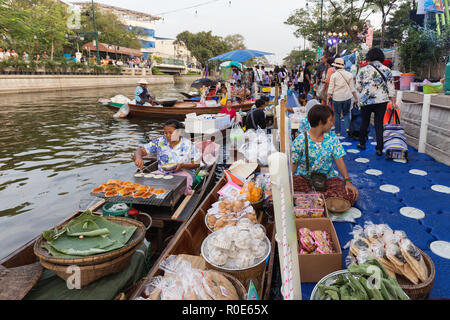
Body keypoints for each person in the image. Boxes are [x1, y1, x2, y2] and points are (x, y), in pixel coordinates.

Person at [291, 104, 358, 205]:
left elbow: (339, 160)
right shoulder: (300, 140)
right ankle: (323, 200)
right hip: (305, 179)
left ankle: (311, 200)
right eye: (330, 120)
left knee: (350, 194)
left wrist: (347, 181)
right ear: (320, 122)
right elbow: (294, 164)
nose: (332, 124)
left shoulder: (332, 138)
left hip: (327, 179)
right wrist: (286, 184)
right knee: (292, 188)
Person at [133, 119, 201, 195]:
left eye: (171, 133)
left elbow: (197, 163)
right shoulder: (160, 142)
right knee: (145, 183)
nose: (167, 135)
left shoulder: (188, 144)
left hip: (184, 173)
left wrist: (183, 165)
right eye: (165, 133)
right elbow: (140, 150)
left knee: (176, 187)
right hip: (162, 172)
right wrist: (138, 158)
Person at [356, 47, 396, 156]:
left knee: (365, 122)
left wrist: (365, 91)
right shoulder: (387, 70)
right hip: (381, 100)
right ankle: (379, 148)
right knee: (379, 124)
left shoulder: (363, 70)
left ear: (369, 57)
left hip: (366, 100)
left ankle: (362, 143)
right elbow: (391, 88)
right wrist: (393, 102)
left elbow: (358, 86)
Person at [327, 57, 359, 136]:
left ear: (335, 66)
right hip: (347, 97)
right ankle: (348, 129)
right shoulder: (349, 75)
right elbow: (352, 88)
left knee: (337, 114)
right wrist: (356, 98)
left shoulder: (334, 76)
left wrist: (328, 98)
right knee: (346, 113)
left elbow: (330, 89)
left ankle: (337, 132)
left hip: (337, 98)